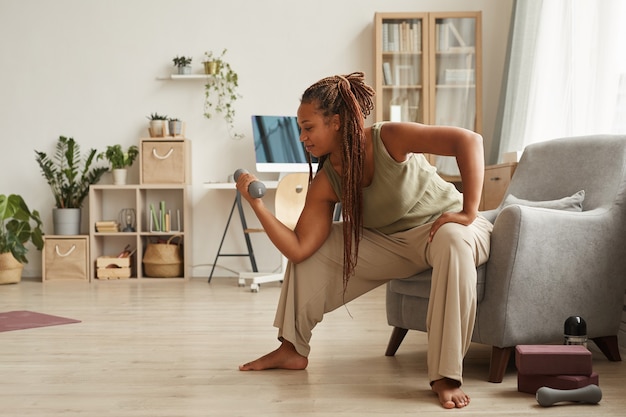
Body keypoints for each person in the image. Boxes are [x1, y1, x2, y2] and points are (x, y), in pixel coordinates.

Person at [235, 72, 492, 409]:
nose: (302, 137)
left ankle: (445, 376)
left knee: (452, 240)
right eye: (300, 129)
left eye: (308, 127)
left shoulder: (389, 137)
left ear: (336, 122)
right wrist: (257, 205)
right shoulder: (327, 180)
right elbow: (299, 249)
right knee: (318, 250)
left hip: (444, 227)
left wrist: (469, 211)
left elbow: (468, 141)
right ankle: (292, 348)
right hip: (391, 243)